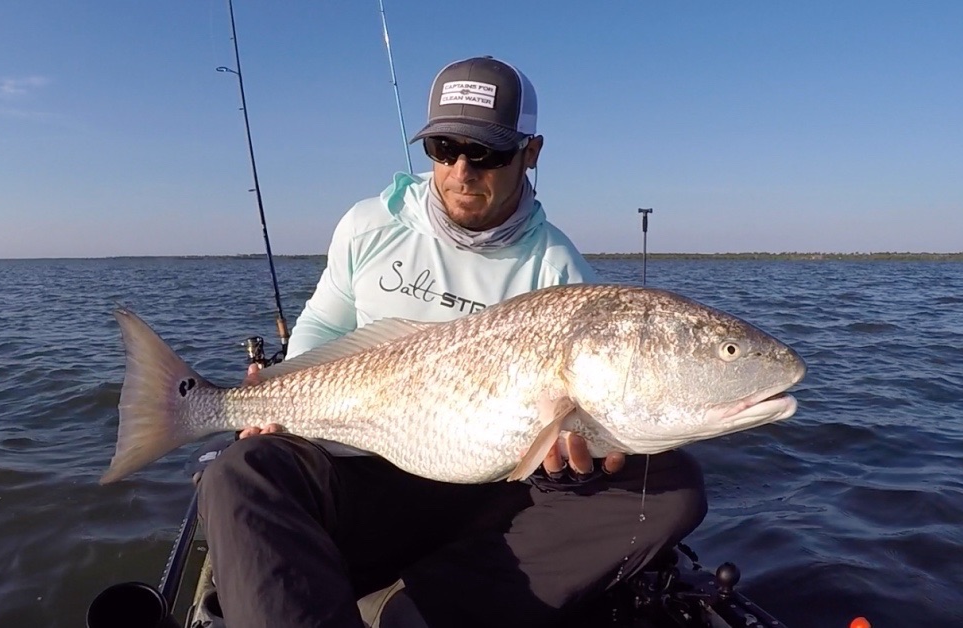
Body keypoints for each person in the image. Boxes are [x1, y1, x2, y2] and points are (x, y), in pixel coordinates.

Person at [197, 56, 707, 628]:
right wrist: (274, 395)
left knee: (670, 486)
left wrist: (577, 463)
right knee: (239, 472)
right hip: (360, 467)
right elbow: (321, 332)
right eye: (443, 149)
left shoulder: (560, 269)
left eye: (486, 152)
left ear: (531, 154)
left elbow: (573, 434)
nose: (462, 171)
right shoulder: (369, 226)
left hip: (484, 491)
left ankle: (424, 606)